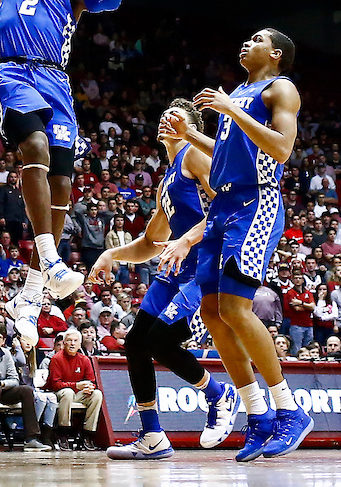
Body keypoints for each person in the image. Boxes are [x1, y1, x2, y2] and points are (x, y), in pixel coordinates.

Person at [0, 0, 166, 345]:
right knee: (35, 151)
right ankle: (52, 258)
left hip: (56, 82)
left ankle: (36, 287)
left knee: (63, 184)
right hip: (15, 71)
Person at [162, 29, 313, 460]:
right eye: (245, 38)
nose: (247, 42)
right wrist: (191, 136)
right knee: (211, 311)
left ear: (277, 53)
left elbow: (281, 149)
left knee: (236, 308)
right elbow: (228, 157)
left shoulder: (279, 88)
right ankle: (258, 415)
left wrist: (230, 109)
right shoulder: (240, 92)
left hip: (255, 201)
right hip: (224, 203)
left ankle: (289, 410)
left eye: (258, 38)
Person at [93, 99, 236, 460]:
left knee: (159, 341)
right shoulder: (168, 178)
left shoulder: (193, 155)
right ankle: (153, 436)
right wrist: (113, 254)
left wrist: (188, 240)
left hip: (202, 267)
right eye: (163, 115)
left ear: (190, 127)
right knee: (136, 342)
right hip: (173, 270)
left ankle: (220, 394)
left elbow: (228, 208)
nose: (164, 120)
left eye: (175, 117)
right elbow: (150, 242)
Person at [45, 328, 104, 449]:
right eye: (69, 340)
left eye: (75, 341)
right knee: (68, 393)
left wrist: (89, 388)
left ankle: (87, 433)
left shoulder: (84, 359)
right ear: (64, 343)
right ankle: (63, 433)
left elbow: (92, 381)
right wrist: (76, 385)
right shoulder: (56, 359)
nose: (72, 343)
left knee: (97, 394)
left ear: (79, 344)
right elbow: (55, 384)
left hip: (78, 394)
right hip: (58, 393)